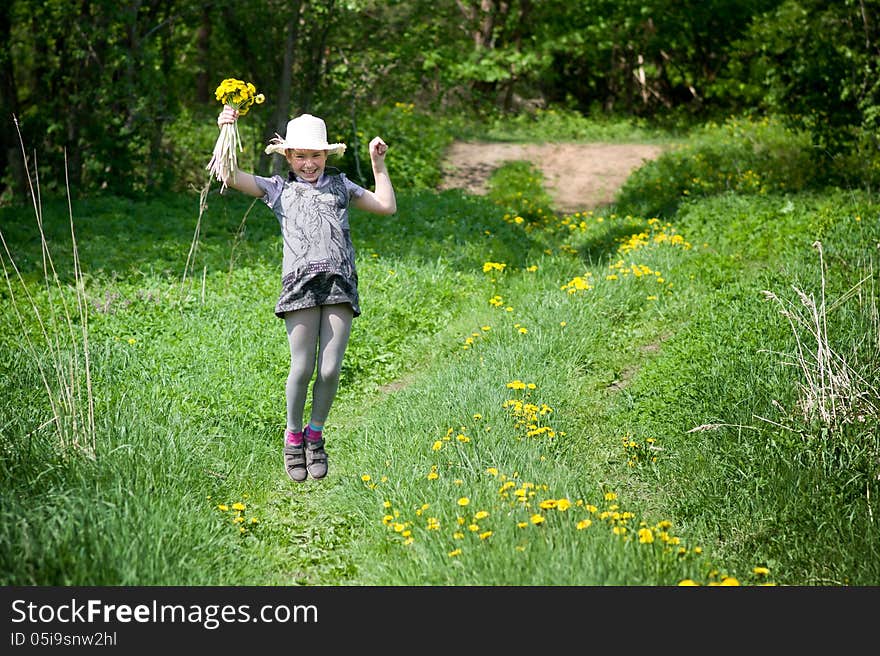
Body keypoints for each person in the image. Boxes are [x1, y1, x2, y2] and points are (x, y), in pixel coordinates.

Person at [215, 105, 397, 482]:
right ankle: (293, 436)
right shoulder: (277, 189)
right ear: (288, 156)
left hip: (339, 282)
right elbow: (227, 174)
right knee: (303, 366)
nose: (309, 163)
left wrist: (378, 165)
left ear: (326, 154)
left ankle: (316, 435)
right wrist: (227, 129)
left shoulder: (342, 186)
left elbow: (386, 206)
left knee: (330, 368)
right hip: (299, 284)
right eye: (300, 155)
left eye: (316, 155)